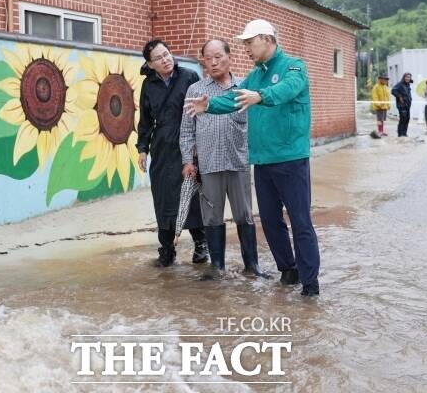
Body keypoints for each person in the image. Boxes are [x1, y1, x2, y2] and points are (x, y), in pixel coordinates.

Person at [185, 19, 321, 297]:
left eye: (249, 42)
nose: (245, 47)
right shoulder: (255, 74)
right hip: (262, 161)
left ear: (266, 39)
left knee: (300, 221)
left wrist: (261, 96)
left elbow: (288, 89)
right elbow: (234, 99)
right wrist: (209, 105)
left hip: (291, 158)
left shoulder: (294, 66)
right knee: (270, 221)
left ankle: (310, 283)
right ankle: (288, 269)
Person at [180, 39, 268, 280]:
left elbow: (259, 125)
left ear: (230, 57)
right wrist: (188, 161)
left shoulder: (245, 88)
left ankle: (252, 266)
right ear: (203, 62)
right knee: (211, 216)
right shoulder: (196, 91)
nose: (214, 62)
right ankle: (217, 267)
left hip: (239, 162)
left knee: (245, 214)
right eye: (208, 58)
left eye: (218, 56)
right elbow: (187, 130)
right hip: (208, 165)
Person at [136, 39, 208, 267]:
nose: (165, 60)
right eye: (158, 58)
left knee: (192, 194)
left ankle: (201, 244)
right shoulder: (149, 86)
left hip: (189, 143)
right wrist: (143, 149)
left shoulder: (189, 76)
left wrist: (200, 142)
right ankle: (167, 248)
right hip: (163, 147)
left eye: (166, 54)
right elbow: (146, 121)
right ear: (150, 63)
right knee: (164, 197)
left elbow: (204, 112)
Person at [391, 72, 413, 137]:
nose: (407, 78)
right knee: (403, 119)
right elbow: (393, 91)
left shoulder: (408, 84)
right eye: (406, 77)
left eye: (409, 77)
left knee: (407, 118)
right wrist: (399, 96)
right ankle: (400, 134)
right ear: (404, 77)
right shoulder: (400, 84)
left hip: (407, 105)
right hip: (401, 105)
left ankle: (404, 133)